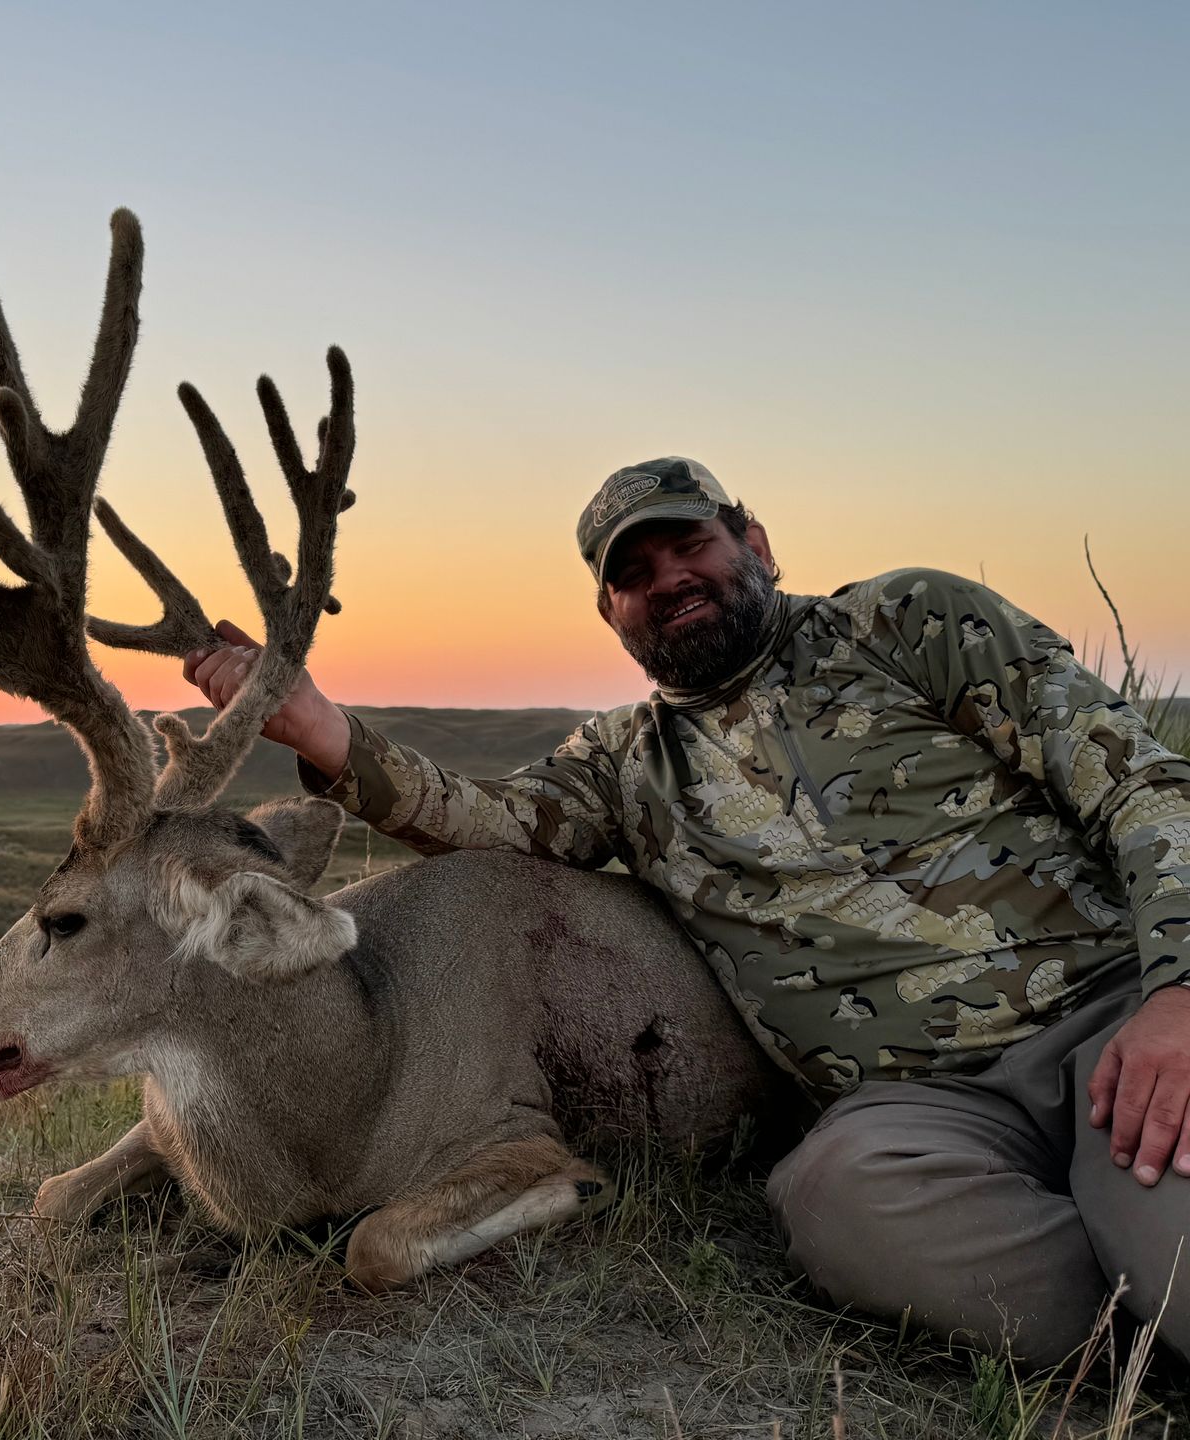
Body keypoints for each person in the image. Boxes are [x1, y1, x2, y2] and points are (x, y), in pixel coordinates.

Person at [182, 456, 1190, 1369]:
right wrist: (321, 729)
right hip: (915, 1113)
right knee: (834, 1201)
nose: (668, 578)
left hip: (1111, 1020)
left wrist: (1177, 992)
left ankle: (1150, 1274)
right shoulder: (625, 763)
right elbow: (492, 827)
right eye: (634, 574)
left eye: (689, 544)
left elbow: (1141, 784)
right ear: (613, 614)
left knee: (1166, 1232)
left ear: (753, 544)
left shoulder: (906, 621)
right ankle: (1132, 1318)